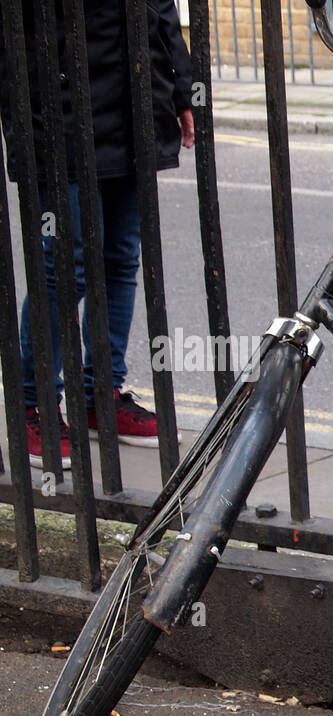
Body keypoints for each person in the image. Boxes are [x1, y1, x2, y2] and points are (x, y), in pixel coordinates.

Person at [0, 0, 193, 468]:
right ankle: (34, 405)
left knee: (121, 257)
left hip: (134, 99)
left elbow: (162, 6)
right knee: (65, 265)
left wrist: (182, 88)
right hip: (56, 101)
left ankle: (98, 396)